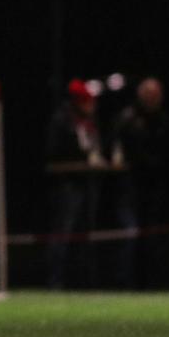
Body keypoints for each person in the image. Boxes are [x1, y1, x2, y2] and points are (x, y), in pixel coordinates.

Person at [111, 77, 169, 287]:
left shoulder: (164, 121)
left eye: (156, 95)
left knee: (153, 239)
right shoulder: (127, 119)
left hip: (155, 189)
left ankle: (152, 284)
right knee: (130, 236)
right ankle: (125, 284)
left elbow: (168, 154)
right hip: (130, 188)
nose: (153, 99)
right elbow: (119, 150)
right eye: (149, 94)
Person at [45, 78, 106, 289]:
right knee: (63, 233)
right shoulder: (62, 120)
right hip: (67, 185)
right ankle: (56, 281)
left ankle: (83, 282)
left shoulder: (90, 121)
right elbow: (53, 153)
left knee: (85, 235)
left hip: (87, 182)